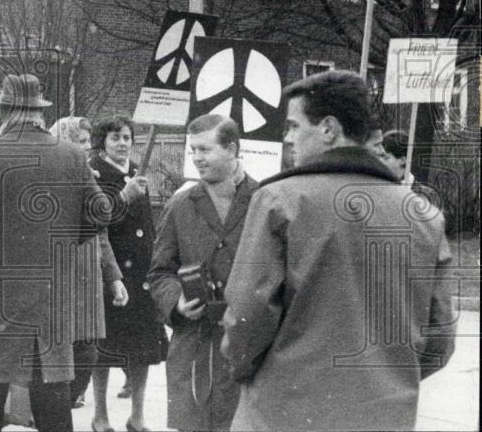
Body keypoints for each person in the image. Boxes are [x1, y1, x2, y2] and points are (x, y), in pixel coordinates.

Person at [221, 70, 455, 431]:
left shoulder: (279, 201)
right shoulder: (424, 215)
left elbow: (246, 319)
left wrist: (247, 370)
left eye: (294, 127)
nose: (287, 139)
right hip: (383, 416)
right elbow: (439, 337)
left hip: (284, 412)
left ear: (329, 129)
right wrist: (384, 381)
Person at [0, 74, 110, 432]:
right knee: (53, 403)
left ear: (4, 110)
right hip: (51, 292)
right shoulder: (72, 154)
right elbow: (101, 210)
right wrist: (69, 238)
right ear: (40, 112)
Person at [147, 114, 258, 431]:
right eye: (192, 150)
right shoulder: (181, 204)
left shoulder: (265, 201)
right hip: (194, 348)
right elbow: (159, 272)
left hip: (245, 350)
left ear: (232, 149)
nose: (196, 158)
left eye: (205, 150)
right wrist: (177, 302)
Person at [88, 115, 168, 432]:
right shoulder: (95, 172)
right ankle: (101, 415)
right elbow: (97, 220)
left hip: (141, 273)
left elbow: (145, 226)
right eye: (115, 138)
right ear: (102, 143)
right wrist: (125, 196)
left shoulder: (135, 172)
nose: (123, 144)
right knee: (104, 347)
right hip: (110, 273)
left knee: (143, 348)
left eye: (126, 137)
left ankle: (137, 415)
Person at [48, 116, 127, 411]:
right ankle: (55, 409)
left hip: (88, 274)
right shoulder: (46, 177)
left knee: (87, 351)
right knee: (63, 351)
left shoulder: (90, 178)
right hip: (59, 275)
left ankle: (65, 402)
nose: (85, 148)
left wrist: (114, 277)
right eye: (79, 141)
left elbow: (102, 233)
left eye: (86, 142)